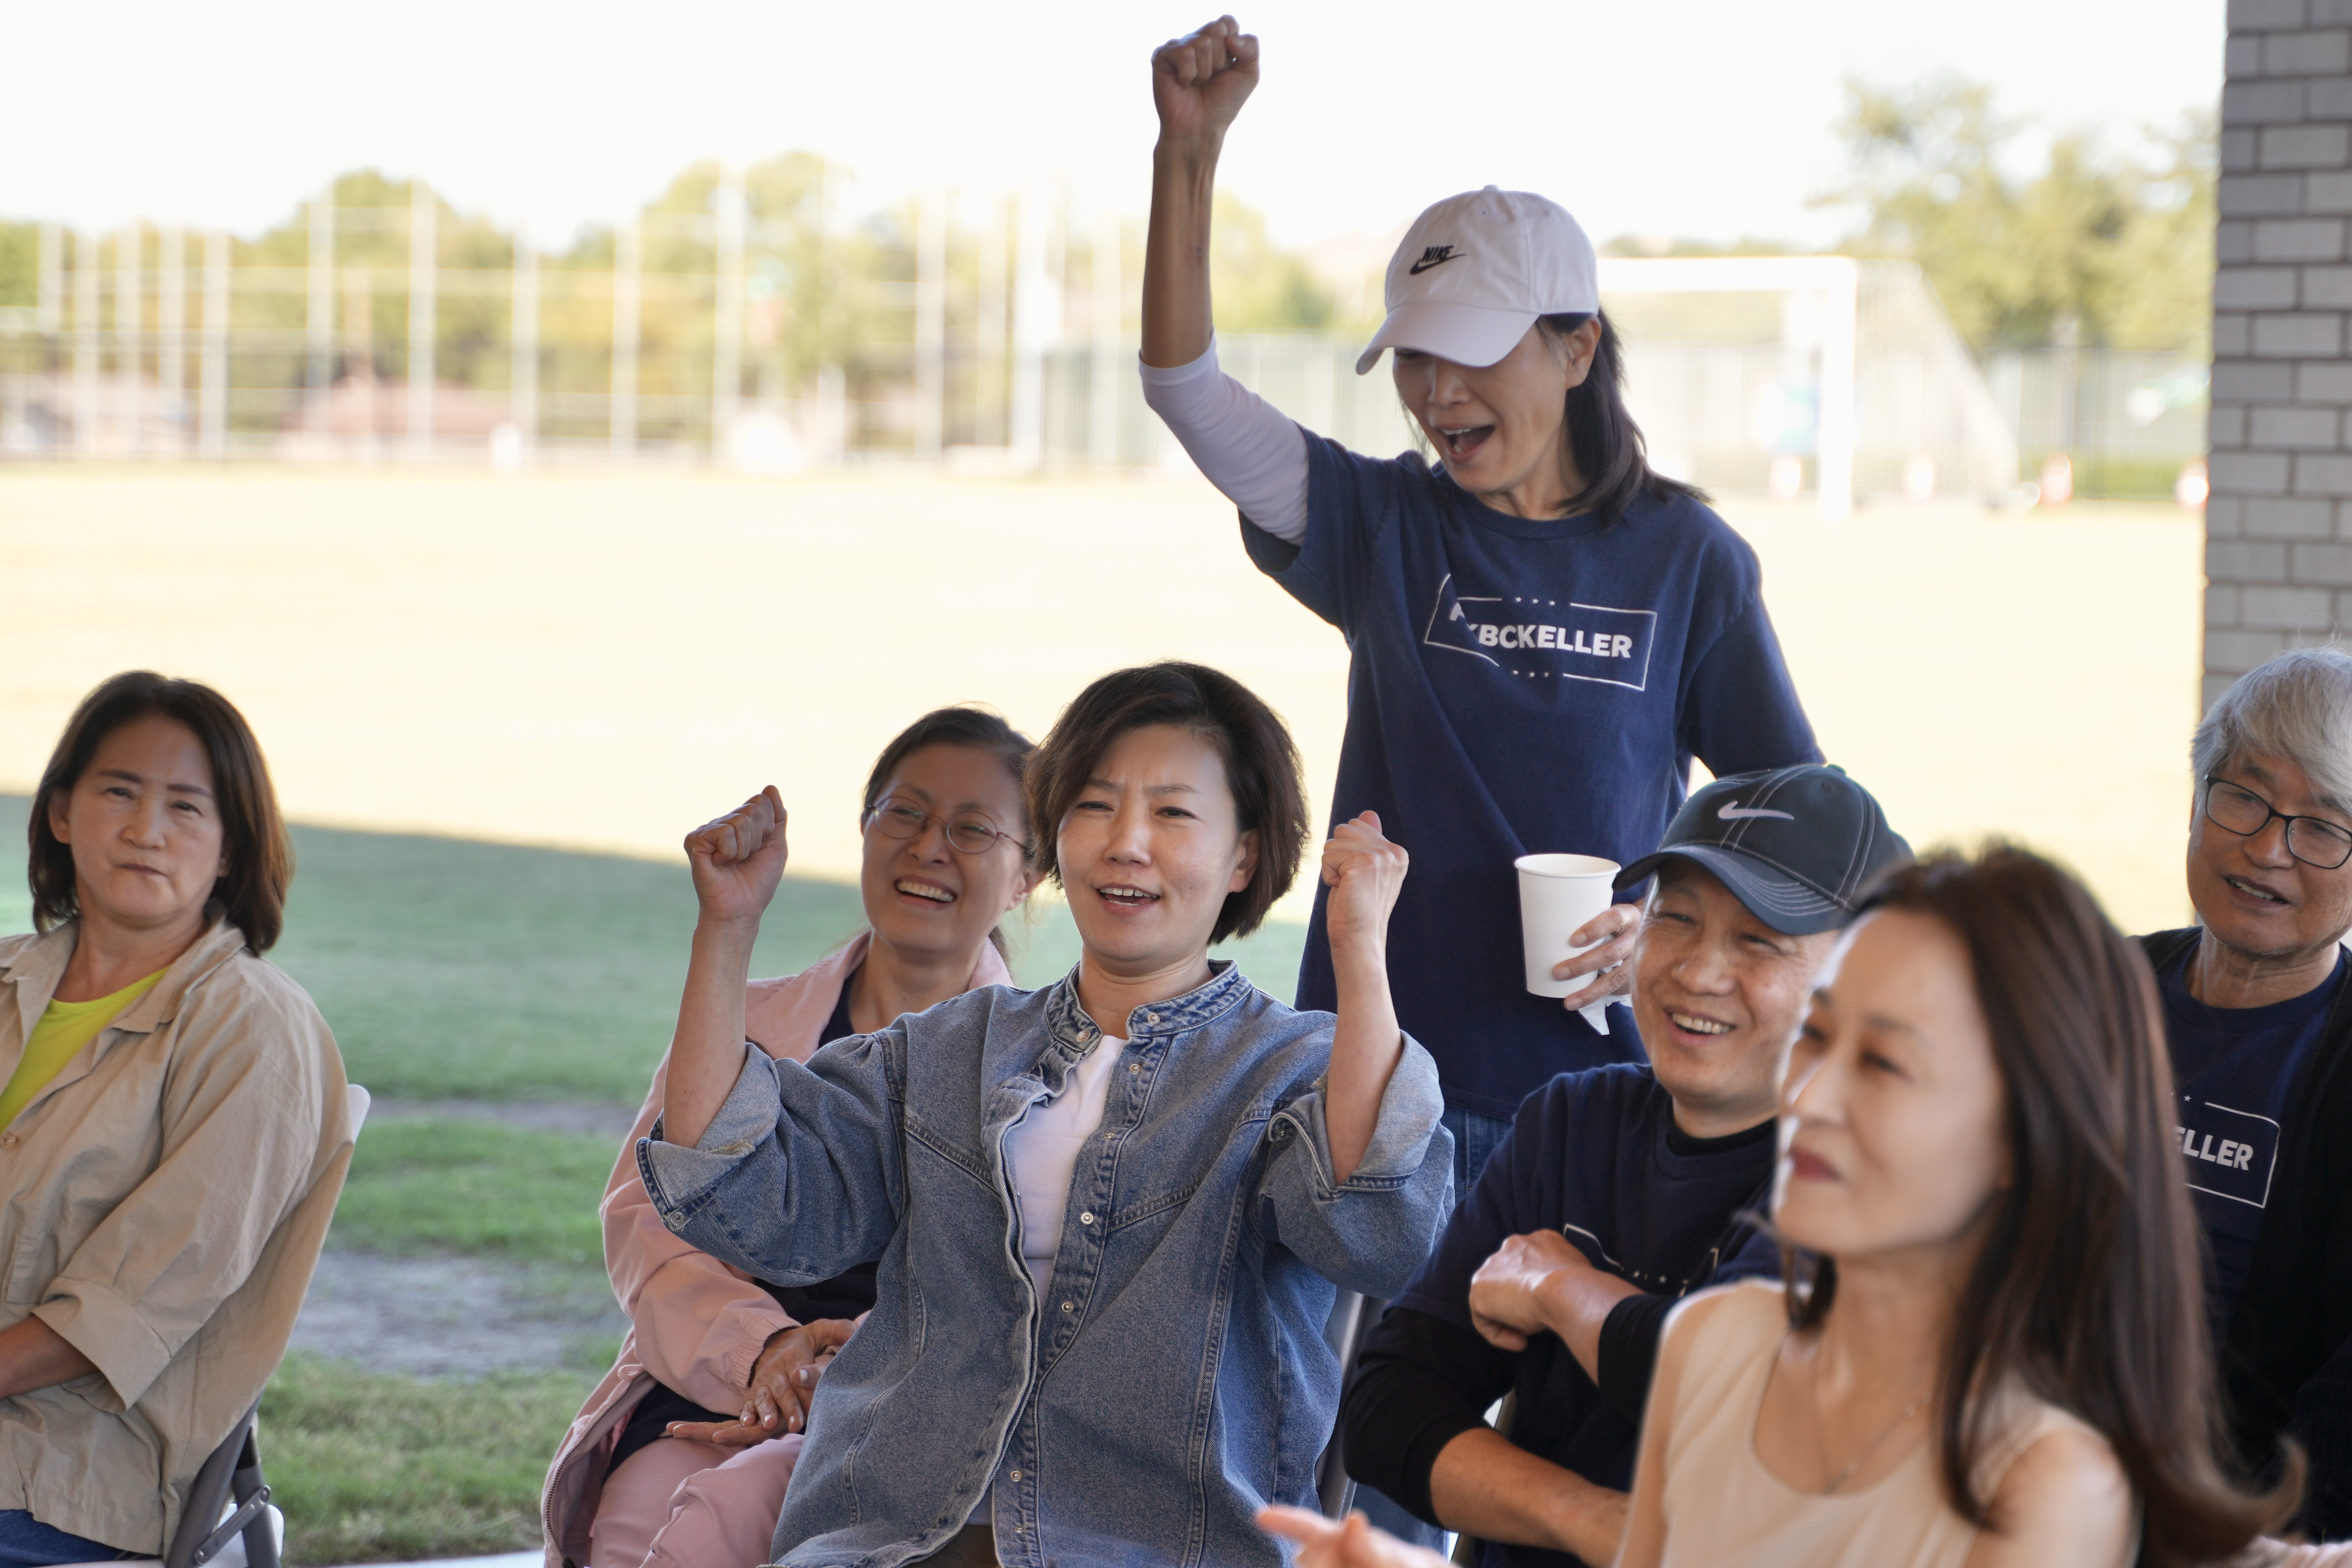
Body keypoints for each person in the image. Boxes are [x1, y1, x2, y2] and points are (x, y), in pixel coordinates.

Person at [1139, 18, 1821, 1194]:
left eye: (1471, 351)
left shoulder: (1689, 559)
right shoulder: (1381, 525)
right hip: (1376, 1086)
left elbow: (1796, 821)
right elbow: (1187, 392)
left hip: (1598, 1102)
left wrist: (1667, 921)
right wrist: (1187, 157)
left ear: (1577, 347)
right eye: (1414, 356)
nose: (1437, 391)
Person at [637, 662, 1453, 1567]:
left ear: (1245, 857)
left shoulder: (1290, 1067)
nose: (1127, 843)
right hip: (892, 1536)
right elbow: (743, 1190)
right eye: (1095, 805)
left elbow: (1376, 1232)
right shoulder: (949, 1047)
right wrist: (727, 928)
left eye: (1174, 813)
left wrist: (1359, 942)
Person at [1608, 846, 2296, 1567]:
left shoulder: (2041, 1481)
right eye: (1817, 1034)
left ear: (2018, 1140)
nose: (1810, 1098)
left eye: (1883, 1064)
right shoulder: (1709, 1340)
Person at [1339, 764, 1907, 1567]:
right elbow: (1386, 1407)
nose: (1698, 972)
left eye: (1759, 941)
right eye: (1675, 917)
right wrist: (1598, 1522)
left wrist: (1561, 1289)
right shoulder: (1574, 1121)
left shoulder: (1868, 1169)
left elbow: (1728, 1396)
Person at [542, 707, 1043, 1568]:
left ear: (1028, 874)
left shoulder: (1046, 1069)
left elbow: (1019, 1296)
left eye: (973, 829)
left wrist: (841, 1373)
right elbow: (647, 1228)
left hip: (902, 1425)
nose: (930, 847)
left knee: (719, 1524)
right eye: (906, 813)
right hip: (720, 1379)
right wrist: (766, 1352)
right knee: (631, 1536)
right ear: (865, 829)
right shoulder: (747, 1020)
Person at [0, 671, 352, 1566]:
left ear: (232, 848)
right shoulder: (6, 979)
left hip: (63, 1472)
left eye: (187, 807)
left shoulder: (256, 1027)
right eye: (119, 791)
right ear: (62, 812)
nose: (146, 830)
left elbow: (129, 1311)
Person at [2139, 647, 2352, 1541]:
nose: (2269, 848)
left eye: (2324, 827)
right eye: (2245, 797)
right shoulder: (2086, 993)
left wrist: (2255, 1545)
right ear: (2196, 802)